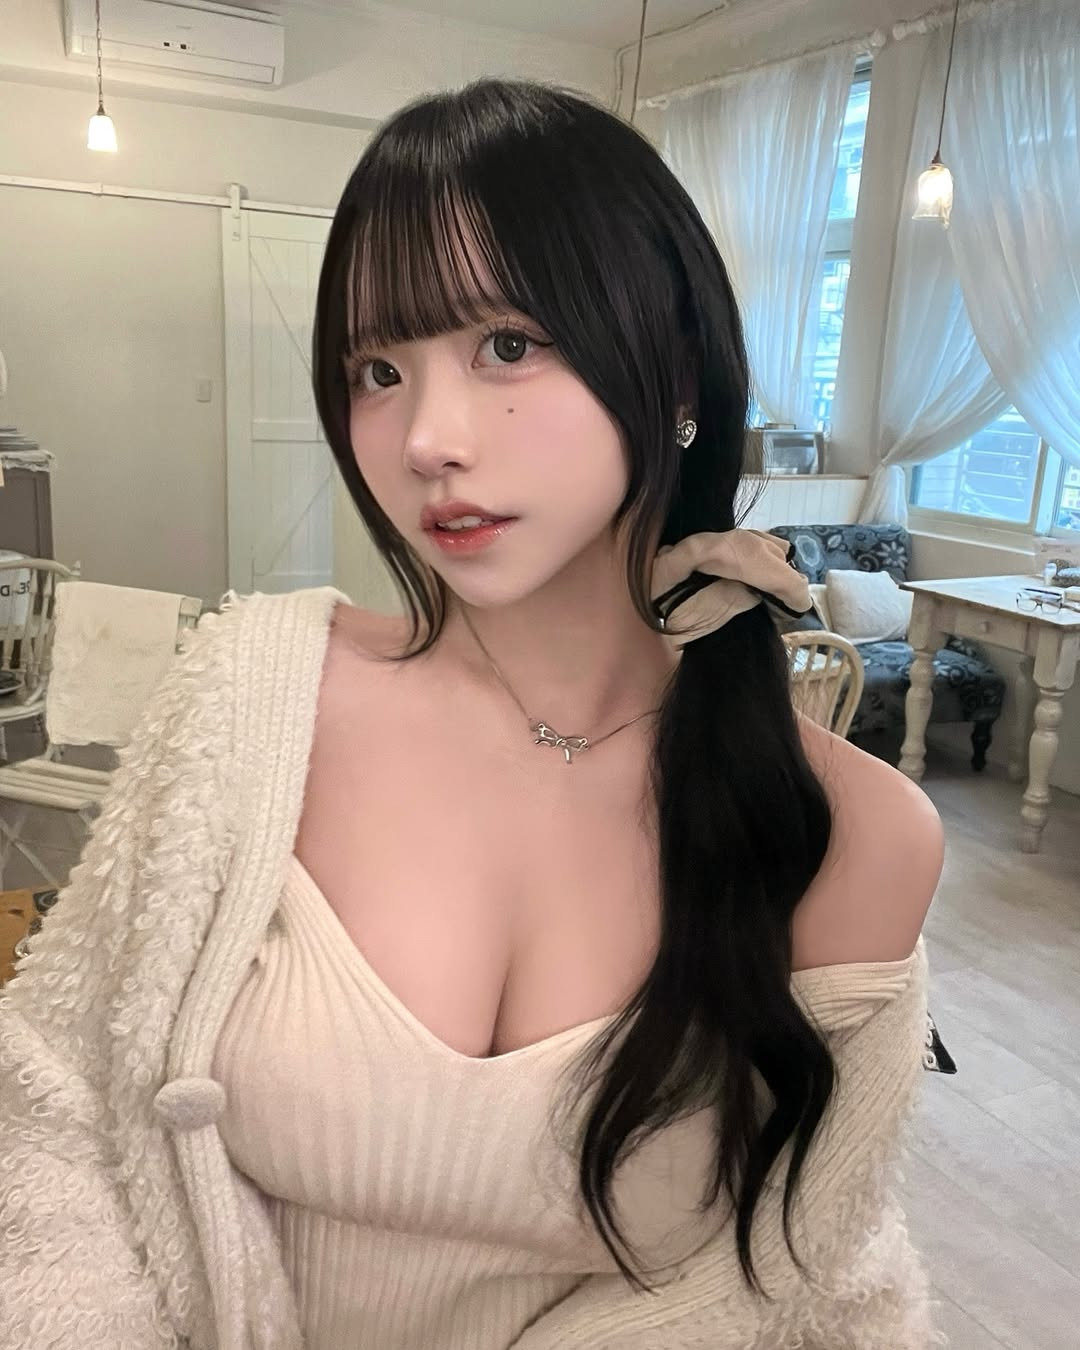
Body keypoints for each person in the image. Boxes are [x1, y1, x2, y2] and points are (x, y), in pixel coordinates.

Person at [0, 77, 946, 1350]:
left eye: (507, 345)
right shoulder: (251, 699)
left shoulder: (855, 832)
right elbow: (52, 1100)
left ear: (675, 371)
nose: (426, 439)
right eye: (379, 369)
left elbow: (810, 1266)